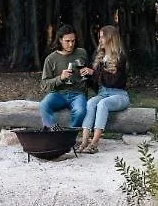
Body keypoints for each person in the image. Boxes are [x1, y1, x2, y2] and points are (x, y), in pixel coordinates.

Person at [77, 25, 129, 153]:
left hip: (119, 95)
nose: (100, 40)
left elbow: (113, 81)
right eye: (99, 37)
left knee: (102, 104)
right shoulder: (100, 56)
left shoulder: (120, 58)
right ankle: (84, 141)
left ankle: (94, 144)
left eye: (102, 37)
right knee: (90, 103)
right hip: (103, 93)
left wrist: (93, 73)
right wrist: (86, 75)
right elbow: (97, 82)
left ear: (110, 39)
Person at [38, 24, 89, 130]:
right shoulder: (51, 59)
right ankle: (53, 130)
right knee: (43, 106)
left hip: (78, 94)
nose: (71, 44)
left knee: (80, 111)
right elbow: (44, 84)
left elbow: (90, 73)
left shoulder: (82, 53)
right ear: (60, 40)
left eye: (73, 41)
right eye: (67, 41)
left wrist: (89, 72)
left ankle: (69, 134)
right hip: (58, 94)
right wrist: (60, 78)